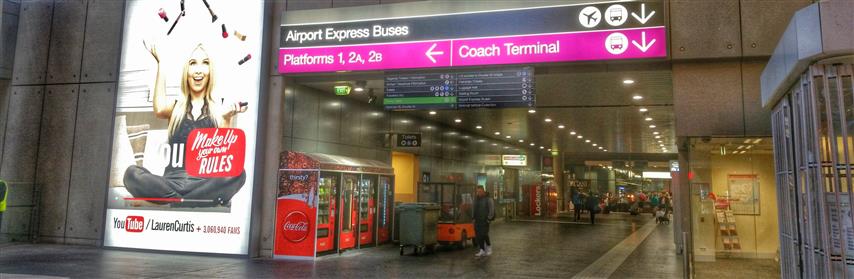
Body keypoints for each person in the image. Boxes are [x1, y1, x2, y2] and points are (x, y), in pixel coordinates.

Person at [123, 43, 247, 208]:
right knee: (132, 173)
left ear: (210, 72)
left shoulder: (218, 111)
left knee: (239, 173)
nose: (198, 69)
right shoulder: (175, 108)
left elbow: (225, 165)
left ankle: (171, 202)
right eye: (192, 63)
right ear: (186, 72)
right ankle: (192, 201)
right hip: (171, 183)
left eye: (205, 63)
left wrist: (228, 118)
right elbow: (159, 108)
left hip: (204, 184)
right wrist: (162, 63)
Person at [473, 185, 495, 257]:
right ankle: (482, 250)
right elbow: (474, 208)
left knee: (484, 234)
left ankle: (489, 247)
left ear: (483, 191)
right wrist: (473, 217)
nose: (478, 193)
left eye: (479, 191)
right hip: (477, 220)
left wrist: (489, 219)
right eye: (477, 191)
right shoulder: (476, 199)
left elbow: (492, 209)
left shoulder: (488, 199)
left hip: (485, 220)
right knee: (478, 236)